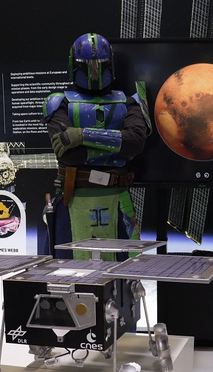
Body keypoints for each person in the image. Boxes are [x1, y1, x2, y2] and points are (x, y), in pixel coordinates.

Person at [41, 33, 151, 260]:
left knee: (125, 273)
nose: (94, 72)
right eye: (87, 66)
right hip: (73, 200)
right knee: (67, 274)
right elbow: (69, 154)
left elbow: (135, 142)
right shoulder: (59, 102)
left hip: (118, 200)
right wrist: (117, 147)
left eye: (99, 65)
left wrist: (82, 135)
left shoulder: (130, 101)